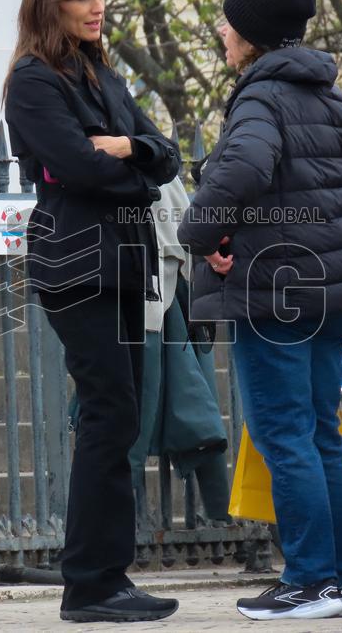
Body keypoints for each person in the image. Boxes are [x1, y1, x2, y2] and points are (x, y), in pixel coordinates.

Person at [178, 0, 342, 621]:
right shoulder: (327, 93)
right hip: (330, 287)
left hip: (274, 292)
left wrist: (200, 231)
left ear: (253, 34)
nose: (221, 32)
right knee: (323, 432)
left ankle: (311, 581)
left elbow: (241, 168)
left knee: (283, 433)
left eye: (228, 22)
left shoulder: (262, 98)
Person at [3, 0, 180, 623]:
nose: (98, 5)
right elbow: (76, 168)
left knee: (120, 415)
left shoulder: (99, 72)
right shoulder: (34, 81)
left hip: (124, 261)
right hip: (77, 263)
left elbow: (161, 155)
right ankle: (90, 584)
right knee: (109, 414)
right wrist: (119, 161)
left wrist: (128, 148)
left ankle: (106, 576)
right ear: (53, 2)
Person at [130, 177, 230, 525]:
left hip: (158, 296)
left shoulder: (133, 150)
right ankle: (219, 516)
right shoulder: (145, 152)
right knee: (181, 404)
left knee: (131, 416)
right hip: (161, 292)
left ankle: (125, 523)